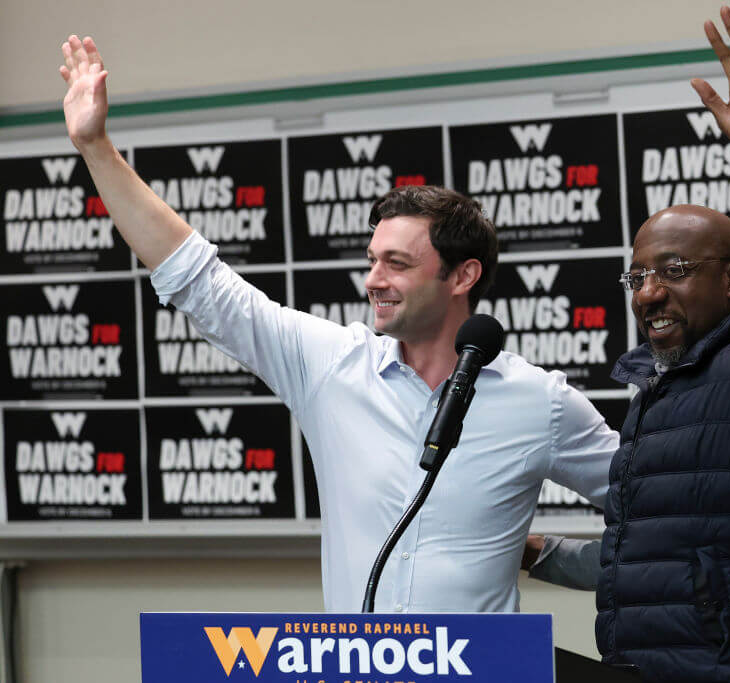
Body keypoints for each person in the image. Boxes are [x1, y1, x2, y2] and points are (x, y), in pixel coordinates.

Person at [58, 35, 618, 613]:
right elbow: (201, 281)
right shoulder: (332, 365)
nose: (373, 280)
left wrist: (550, 554)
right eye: (371, 260)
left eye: (397, 264)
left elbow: (665, 509)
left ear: (461, 276)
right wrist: (97, 148)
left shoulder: (540, 402)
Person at [523, 7, 730, 682]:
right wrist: (535, 551)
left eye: (673, 270)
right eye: (637, 275)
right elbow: (652, 560)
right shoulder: (661, 392)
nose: (647, 293)